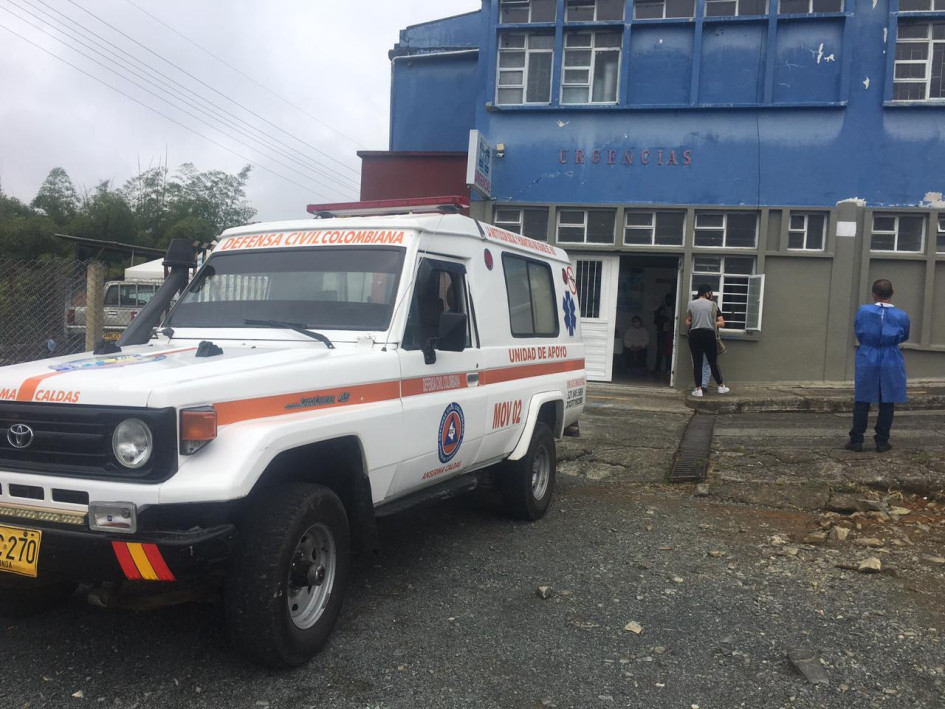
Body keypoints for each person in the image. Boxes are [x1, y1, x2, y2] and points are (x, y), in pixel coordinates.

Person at [846, 279, 910, 453]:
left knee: (863, 398)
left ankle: (856, 439)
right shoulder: (901, 315)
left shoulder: (864, 311)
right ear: (892, 292)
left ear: (874, 293)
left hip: (868, 354)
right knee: (887, 398)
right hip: (891, 355)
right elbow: (905, 335)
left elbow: (858, 329)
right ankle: (882, 441)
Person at [686, 284, 729, 398]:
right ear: (706, 293)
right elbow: (720, 322)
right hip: (709, 334)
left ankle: (698, 389)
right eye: (710, 292)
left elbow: (689, 320)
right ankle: (721, 386)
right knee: (712, 362)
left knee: (697, 362)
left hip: (695, 334)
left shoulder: (691, 304)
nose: (711, 294)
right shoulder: (713, 305)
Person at [701, 304, 730, 393]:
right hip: (698, 337)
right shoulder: (696, 307)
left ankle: (704, 385)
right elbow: (688, 322)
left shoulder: (714, 308)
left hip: (711, 338)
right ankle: (701, 386)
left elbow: (722, 323)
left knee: (709, 363)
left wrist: (710, 323)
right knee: (698, 362)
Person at [653, 293, 675, 375]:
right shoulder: (660, 309)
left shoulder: (675, 309)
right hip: (662, 332)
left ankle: (669, 370)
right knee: (660, 351)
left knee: (669, 352)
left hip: (671, 332)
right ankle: (657, 369)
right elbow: (656, 321)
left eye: (671, 300)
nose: (669, 301)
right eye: (668, 299)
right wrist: (664, 319)